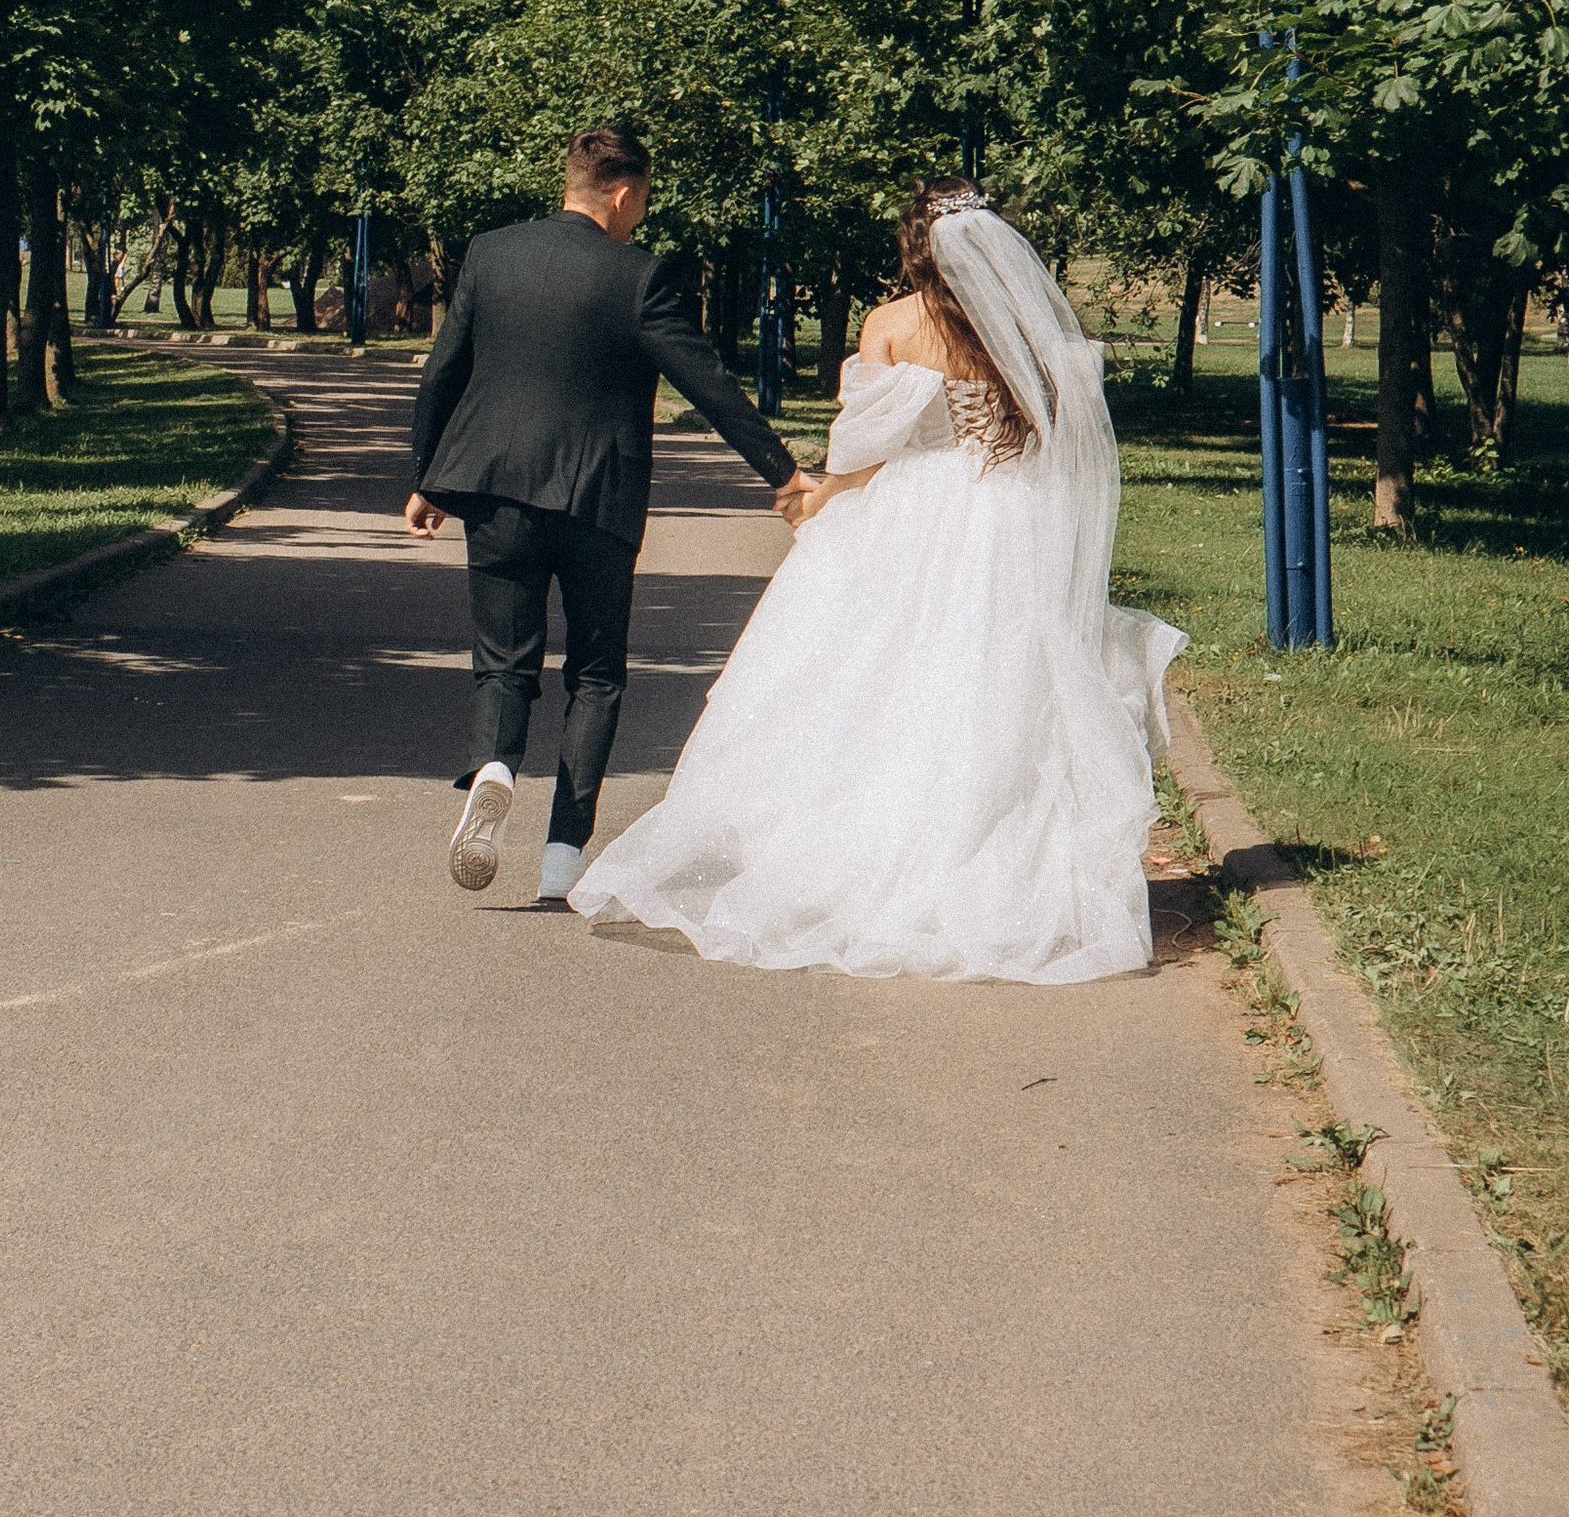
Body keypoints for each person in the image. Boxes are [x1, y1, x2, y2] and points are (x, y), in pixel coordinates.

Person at [572, 178, 1184, 985]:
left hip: (917, 513)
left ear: (915, 248)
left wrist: (814, 497)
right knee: (997, 686)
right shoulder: (1037, 333)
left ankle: (867, 858)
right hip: (1012, 516)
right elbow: (1066, 452)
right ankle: (996, 856)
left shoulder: (892, 325)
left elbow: (865, 450)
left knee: (883, 678)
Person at [403, 123, 799, 902]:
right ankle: (562, 856)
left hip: (494, 492)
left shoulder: (491, 253)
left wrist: (430, 479)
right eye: (641, 203)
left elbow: (443, 372)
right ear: (622, 194)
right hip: (598, 500)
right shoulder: (639, 277)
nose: (639, 217)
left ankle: (494, 764)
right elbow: (707, 382)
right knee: (595, 675)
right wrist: (781, 472)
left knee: (503, 662)